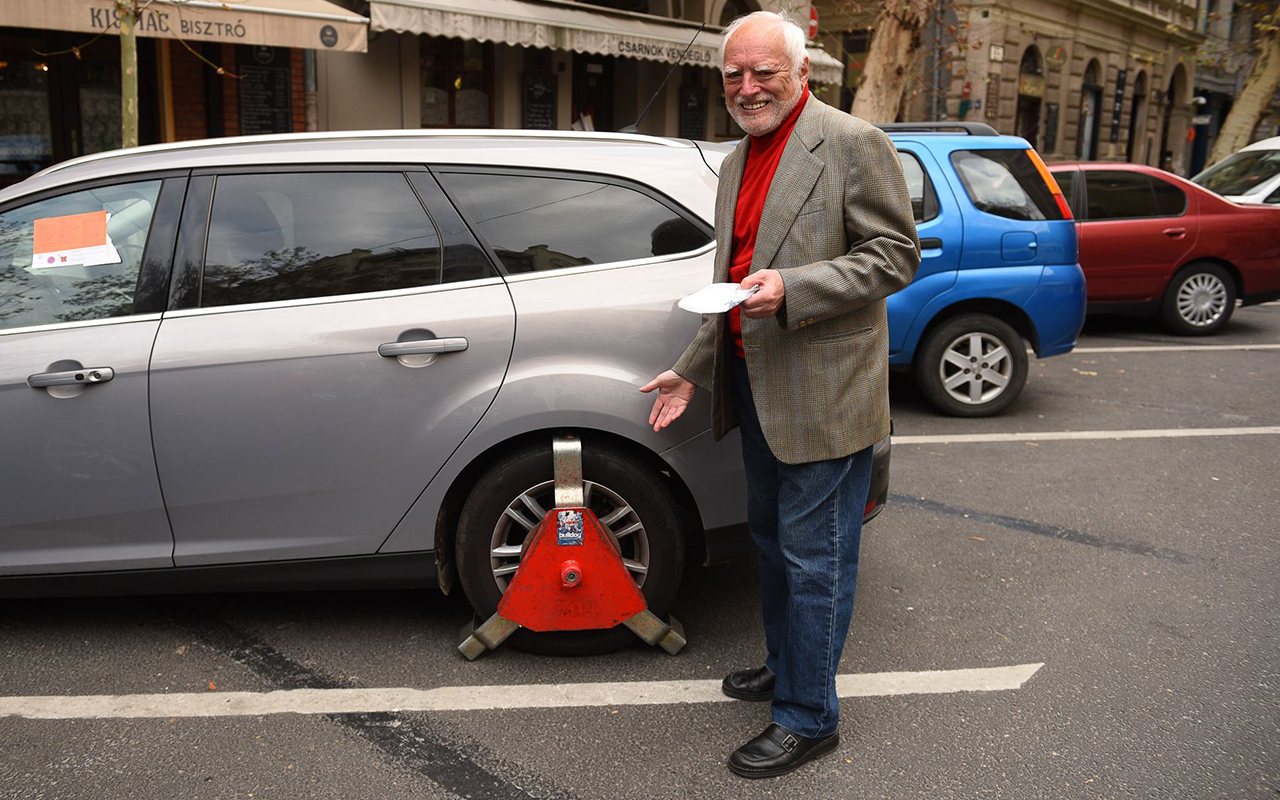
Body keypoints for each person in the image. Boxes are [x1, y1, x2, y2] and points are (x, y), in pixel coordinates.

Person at [639, 10, 920, 779]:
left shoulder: (853, 141)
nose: (747, 86)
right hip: (757, 390)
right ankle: (787, 664)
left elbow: (896, 256)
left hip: (825, 392)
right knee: (771, 545)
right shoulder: (738, 158)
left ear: (802, 71)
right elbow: (732, 288)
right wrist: (691, 367)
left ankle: (808, 715)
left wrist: (794, 287)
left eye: (763, 71)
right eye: (734, 74)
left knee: (815, 560)